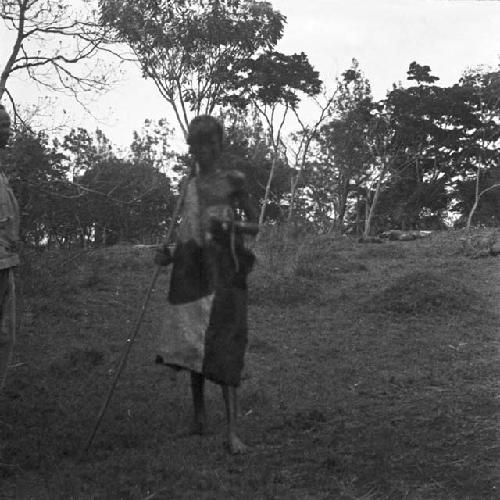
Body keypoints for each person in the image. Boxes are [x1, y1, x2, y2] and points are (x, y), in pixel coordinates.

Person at [154, 115, 258, 454]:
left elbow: (255, 224)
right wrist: (167, 254)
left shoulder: (234, 180)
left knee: (225, 342)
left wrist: (230, 229)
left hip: (226, 272)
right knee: (193, 343)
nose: (205, 150)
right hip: (191, 273)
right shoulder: (188, 187)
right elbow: (185, 233)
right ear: (192, 149)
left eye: (211, 143)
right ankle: (199, 418)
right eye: (198, 145)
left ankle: (233, 431)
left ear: (221, 144)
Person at [0, 104, 20, 390]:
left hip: (6, 262)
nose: (7, 131)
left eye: (7, 125)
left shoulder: (2, 175)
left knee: (6, 336)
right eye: (2, 125)